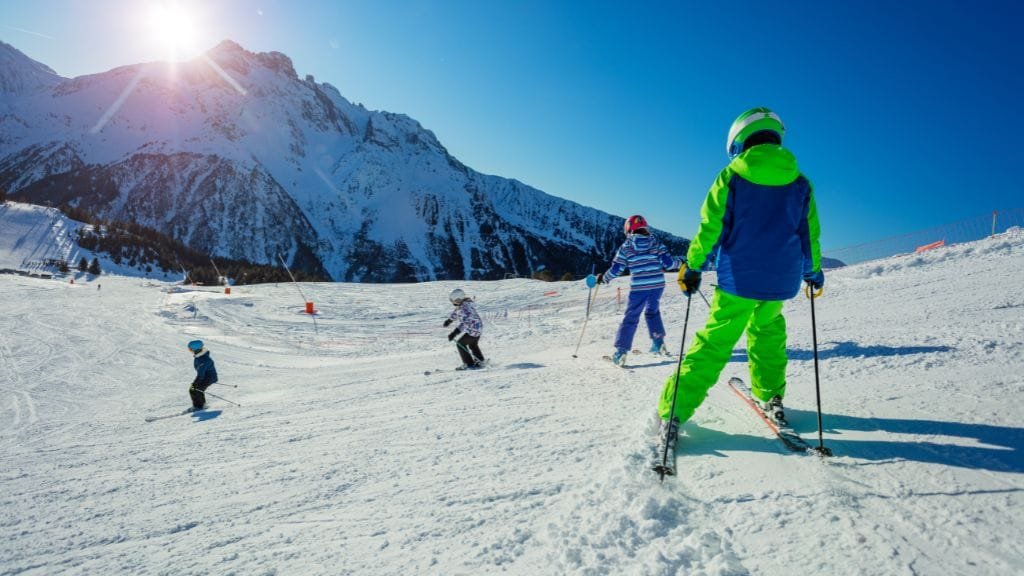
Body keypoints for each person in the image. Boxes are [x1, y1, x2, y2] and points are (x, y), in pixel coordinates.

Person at [658, 107, 824, 440]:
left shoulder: (732, 176)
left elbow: (711, 227)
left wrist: (693, 266)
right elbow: (809, 232)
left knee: (714, 344)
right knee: (768, 336)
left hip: (740, 279)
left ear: (738, 139)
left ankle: (674, 413)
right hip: (781, 281)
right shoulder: (801, 183)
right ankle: (772, 397)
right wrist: (813, 271)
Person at [592, 215, 680, 366]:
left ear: (628, 229)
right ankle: (658, 342)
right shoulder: (656, 242)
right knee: (652, 312)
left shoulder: (627, 246)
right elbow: (669, 263)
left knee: (631, 317)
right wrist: (682, 263)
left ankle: (621, 351)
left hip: (639, 286)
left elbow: (617, 268)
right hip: (657, 285)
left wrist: (604, 278)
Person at [444, 288, 485, 369]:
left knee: (460, 344)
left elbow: (464, 323)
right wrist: (450, 320)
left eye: (454, 301)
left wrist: (454, 333)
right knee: (473, 345)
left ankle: (468, 364)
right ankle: (480, 361)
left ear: (458, 299)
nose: (453, 303)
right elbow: (456, 312)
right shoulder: (465, 304)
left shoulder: (464, 308)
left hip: (473, 330)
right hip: (478, 329)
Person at [187, 339, 218, 410]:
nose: (190, 350)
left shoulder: (203, 360)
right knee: (196, 389)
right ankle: (201, 405)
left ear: (195, 349)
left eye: (190, 349)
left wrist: (195, 383)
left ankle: (199, 407)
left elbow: (201, 375)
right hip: (206, 376)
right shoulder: (199, 356)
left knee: (195, 389)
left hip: (209, 377)